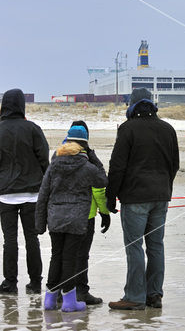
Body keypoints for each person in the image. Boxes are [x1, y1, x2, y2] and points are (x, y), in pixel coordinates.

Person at [107, 88, 180, 310]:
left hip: (135, 197)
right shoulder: (168, 129)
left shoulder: (127, 129)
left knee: (134, 246)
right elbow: (174, 165)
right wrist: (165, 187)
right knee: (156, 245)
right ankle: (154, 295)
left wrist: (111, 197)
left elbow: (117, 167)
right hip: (160, 197)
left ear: (133, 106)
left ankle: (135, 297)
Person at [36, 125, 108, 312]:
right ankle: (69, 301)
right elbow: (102, 180)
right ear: (84, 146)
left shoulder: (54, 164)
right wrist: (92, 156)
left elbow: (43, 194)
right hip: (77, 219)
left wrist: (40, 223)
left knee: (56, 257)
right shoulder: (86, 166)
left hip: (56, 218)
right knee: (69, 259)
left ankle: (50, 300)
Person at [0, 89, 49, 294]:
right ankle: (35, 283)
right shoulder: (33, 129)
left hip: (5, 194)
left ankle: (10, 283)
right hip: (32, 193)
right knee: (32, 239)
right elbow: (44, 160)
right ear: (22, 106)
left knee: (9, 240)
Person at [65, 121, 111, 305]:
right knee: (81, 255)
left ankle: (62, 292)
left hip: (61, 214)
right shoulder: (88, 159)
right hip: (86, 215)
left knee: (62, 254)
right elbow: (99, 187)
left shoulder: (57, 156)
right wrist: (105, 212)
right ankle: (81, 292)